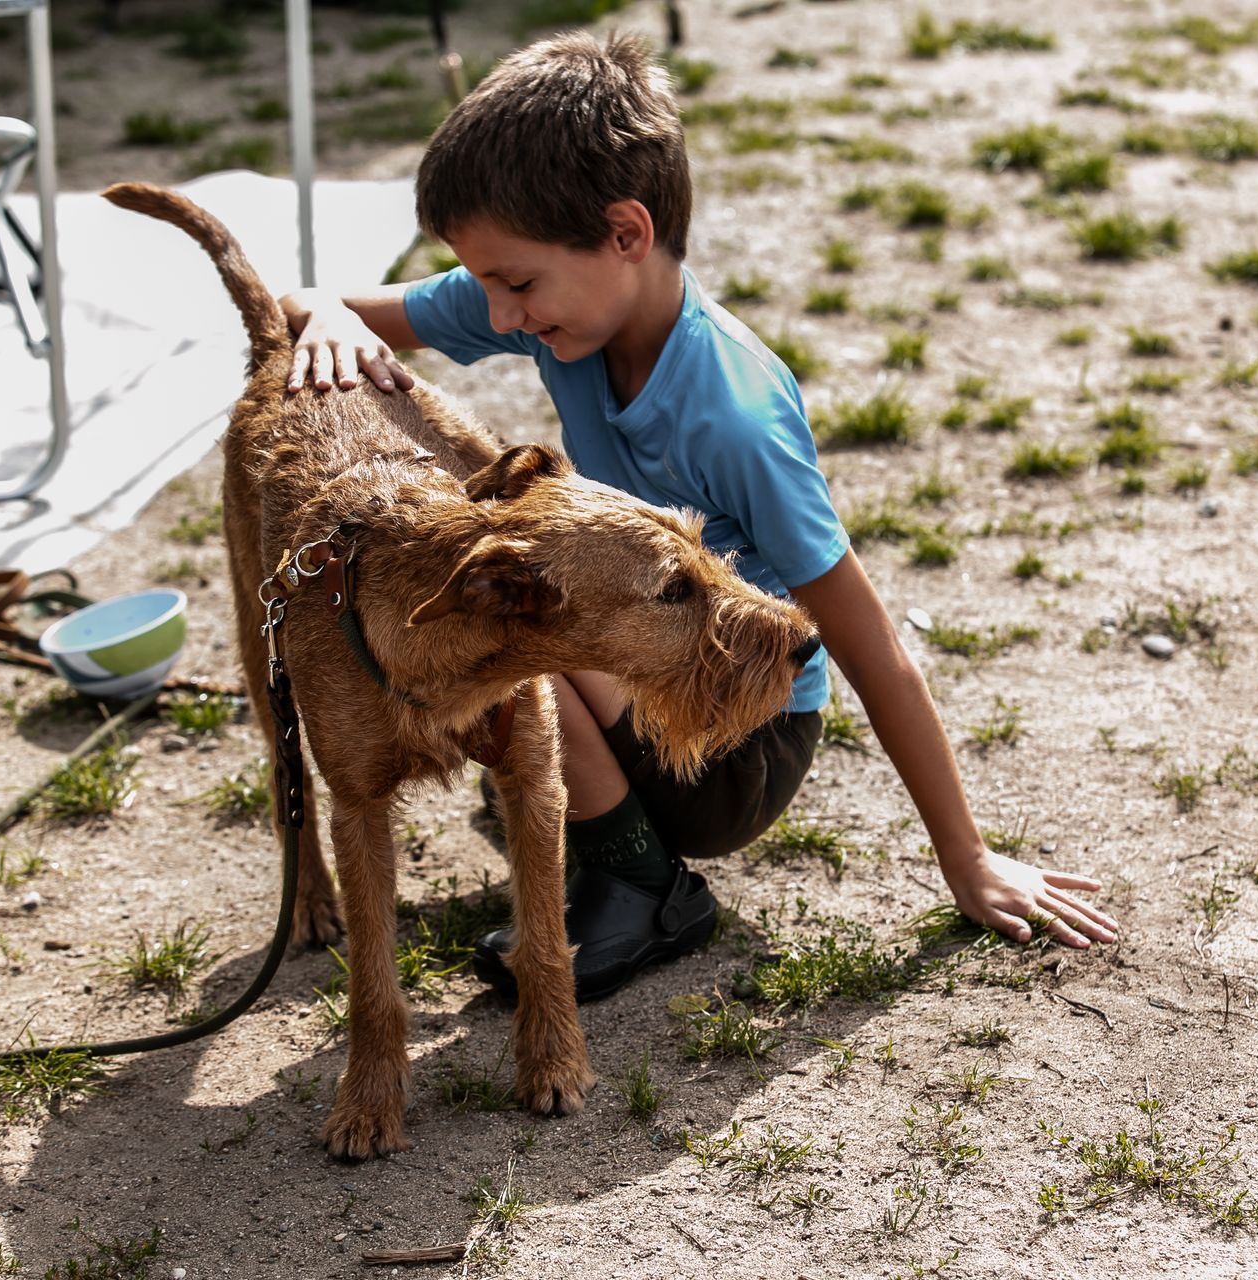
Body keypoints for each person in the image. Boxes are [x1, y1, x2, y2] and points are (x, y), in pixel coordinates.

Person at [278, 31, 1118, 1000]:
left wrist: (967, 858)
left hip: (740, 745)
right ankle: (599, 802)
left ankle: (641, 881)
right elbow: (306, 304)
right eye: (488, 284)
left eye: (516, 284)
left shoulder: (733, 415)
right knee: (507, 591)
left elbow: (867, 640)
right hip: (651, 664)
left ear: (625, 233)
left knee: (519, 614)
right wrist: (332, 315)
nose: (499, 314)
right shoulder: (561, 304)